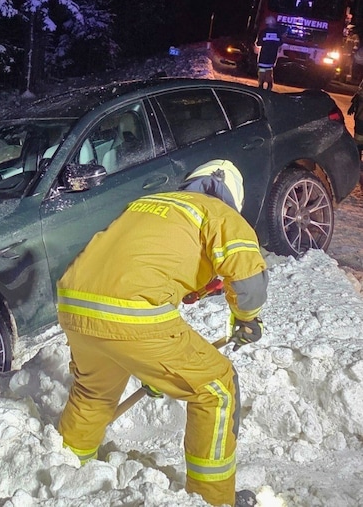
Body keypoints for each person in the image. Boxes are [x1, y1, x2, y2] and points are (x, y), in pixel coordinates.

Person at [56, 159, 268, 507]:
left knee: (93, 392)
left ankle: (66, 471)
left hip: (75, 302)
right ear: (232, 196)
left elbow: (134, 263)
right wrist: (248, 319)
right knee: (217, 390)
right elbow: (247, 281)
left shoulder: (151, 204)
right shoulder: (218, 213)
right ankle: (213, 500)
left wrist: (151, 365)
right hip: (132, 312)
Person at [256, 16, 282, 90]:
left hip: (264, 55)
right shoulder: (278, 33)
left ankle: (261, 85)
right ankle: (269, 85)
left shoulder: (264, 32)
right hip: (272, 56)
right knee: (269, 70)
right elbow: (280, 43)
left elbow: (258, 43)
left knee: (262, 70)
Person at [347, 79, 363, 158]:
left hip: (360, 118)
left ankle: (357, 157)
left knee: (358, 140)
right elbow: (360, 92)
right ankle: (357, 157)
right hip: (360, 118)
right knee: (358, 139)